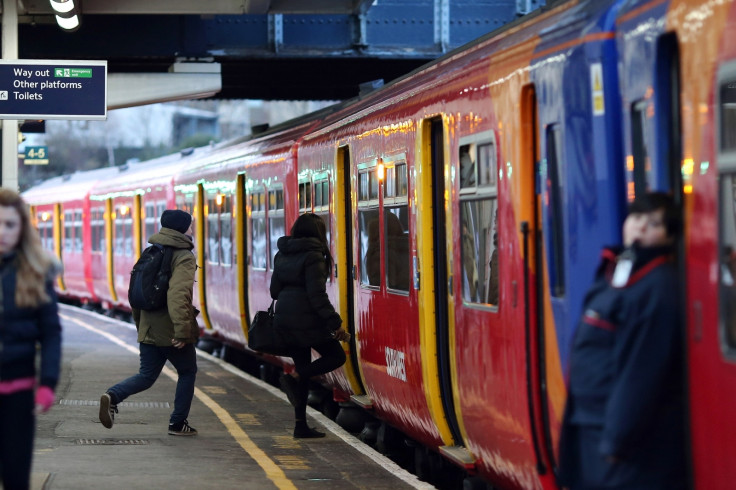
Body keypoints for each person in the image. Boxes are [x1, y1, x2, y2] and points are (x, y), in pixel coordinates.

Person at [557, 192, 686, 489]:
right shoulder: (619, 272)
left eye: (654, 224)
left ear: (669, 236)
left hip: (626, 445)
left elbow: (641, 372)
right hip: (592, 427)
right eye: (637, 218)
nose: (640, 228)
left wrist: (616, 441)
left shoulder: (659, 287)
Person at [99, 209, 200, 436]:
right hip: (171, 330)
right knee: (187, 371)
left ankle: (113, 396)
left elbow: (135, 294)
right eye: (190, 226)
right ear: (182, 229)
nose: (192, 230)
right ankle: (177, 423)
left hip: (149, 327)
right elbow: (178, 295)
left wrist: (140, 326)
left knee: (146, 376)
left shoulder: (150, 252)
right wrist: (182, 332)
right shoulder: (183, 256)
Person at [0, 189, 62, 490]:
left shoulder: (36, 273)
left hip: (19, 394)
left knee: (15, 475)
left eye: (9, 224)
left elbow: (51, 333)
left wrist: (48, 383)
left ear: (22, 228)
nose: (2, 232)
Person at [270, 213, 350, 438]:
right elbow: (317, 295)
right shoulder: (315, 256)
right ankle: (294, 377)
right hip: (306, 321)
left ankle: (300, 425)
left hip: (284, 318)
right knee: (336, 356)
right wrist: (335, 324)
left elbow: (274, 291)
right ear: (318, 233)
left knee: (303, 367)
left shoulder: (282, 254)